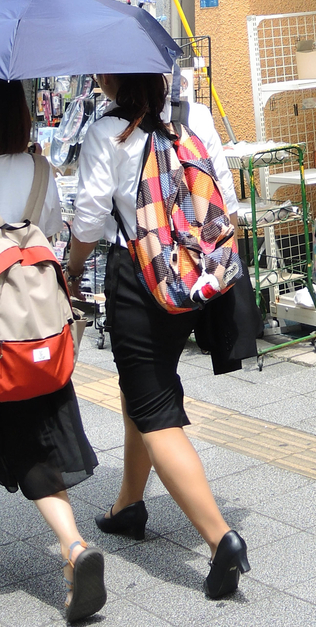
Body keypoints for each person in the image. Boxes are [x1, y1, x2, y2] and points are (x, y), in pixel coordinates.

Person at [65, 72, 250, 599]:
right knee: (142, 386)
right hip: (194, 279)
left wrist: (74, 270)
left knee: (155, 409)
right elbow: (225, 203)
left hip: (139, 281)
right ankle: (128, 504)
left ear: (112, 78)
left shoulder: (108, 134)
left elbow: (90, 219)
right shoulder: (193, 120)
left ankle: (220, 541)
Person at [0, 80, 106, 623]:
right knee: (35, 447)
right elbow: (47, 241)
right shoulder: (39, 171)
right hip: (30, 337)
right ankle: (73, 548)